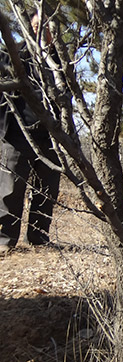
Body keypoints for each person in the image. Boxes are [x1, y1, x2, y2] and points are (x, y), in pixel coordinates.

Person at [0, 12, 62, 253]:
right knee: (11, 189)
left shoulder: (59, 61)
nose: (41, 30)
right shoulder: (10, 54)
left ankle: (39, 237)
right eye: (36, 25)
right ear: (27, 27)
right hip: (17, 133)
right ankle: (5, 239)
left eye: (46, 27)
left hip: (51, 136)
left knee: (47, 189)